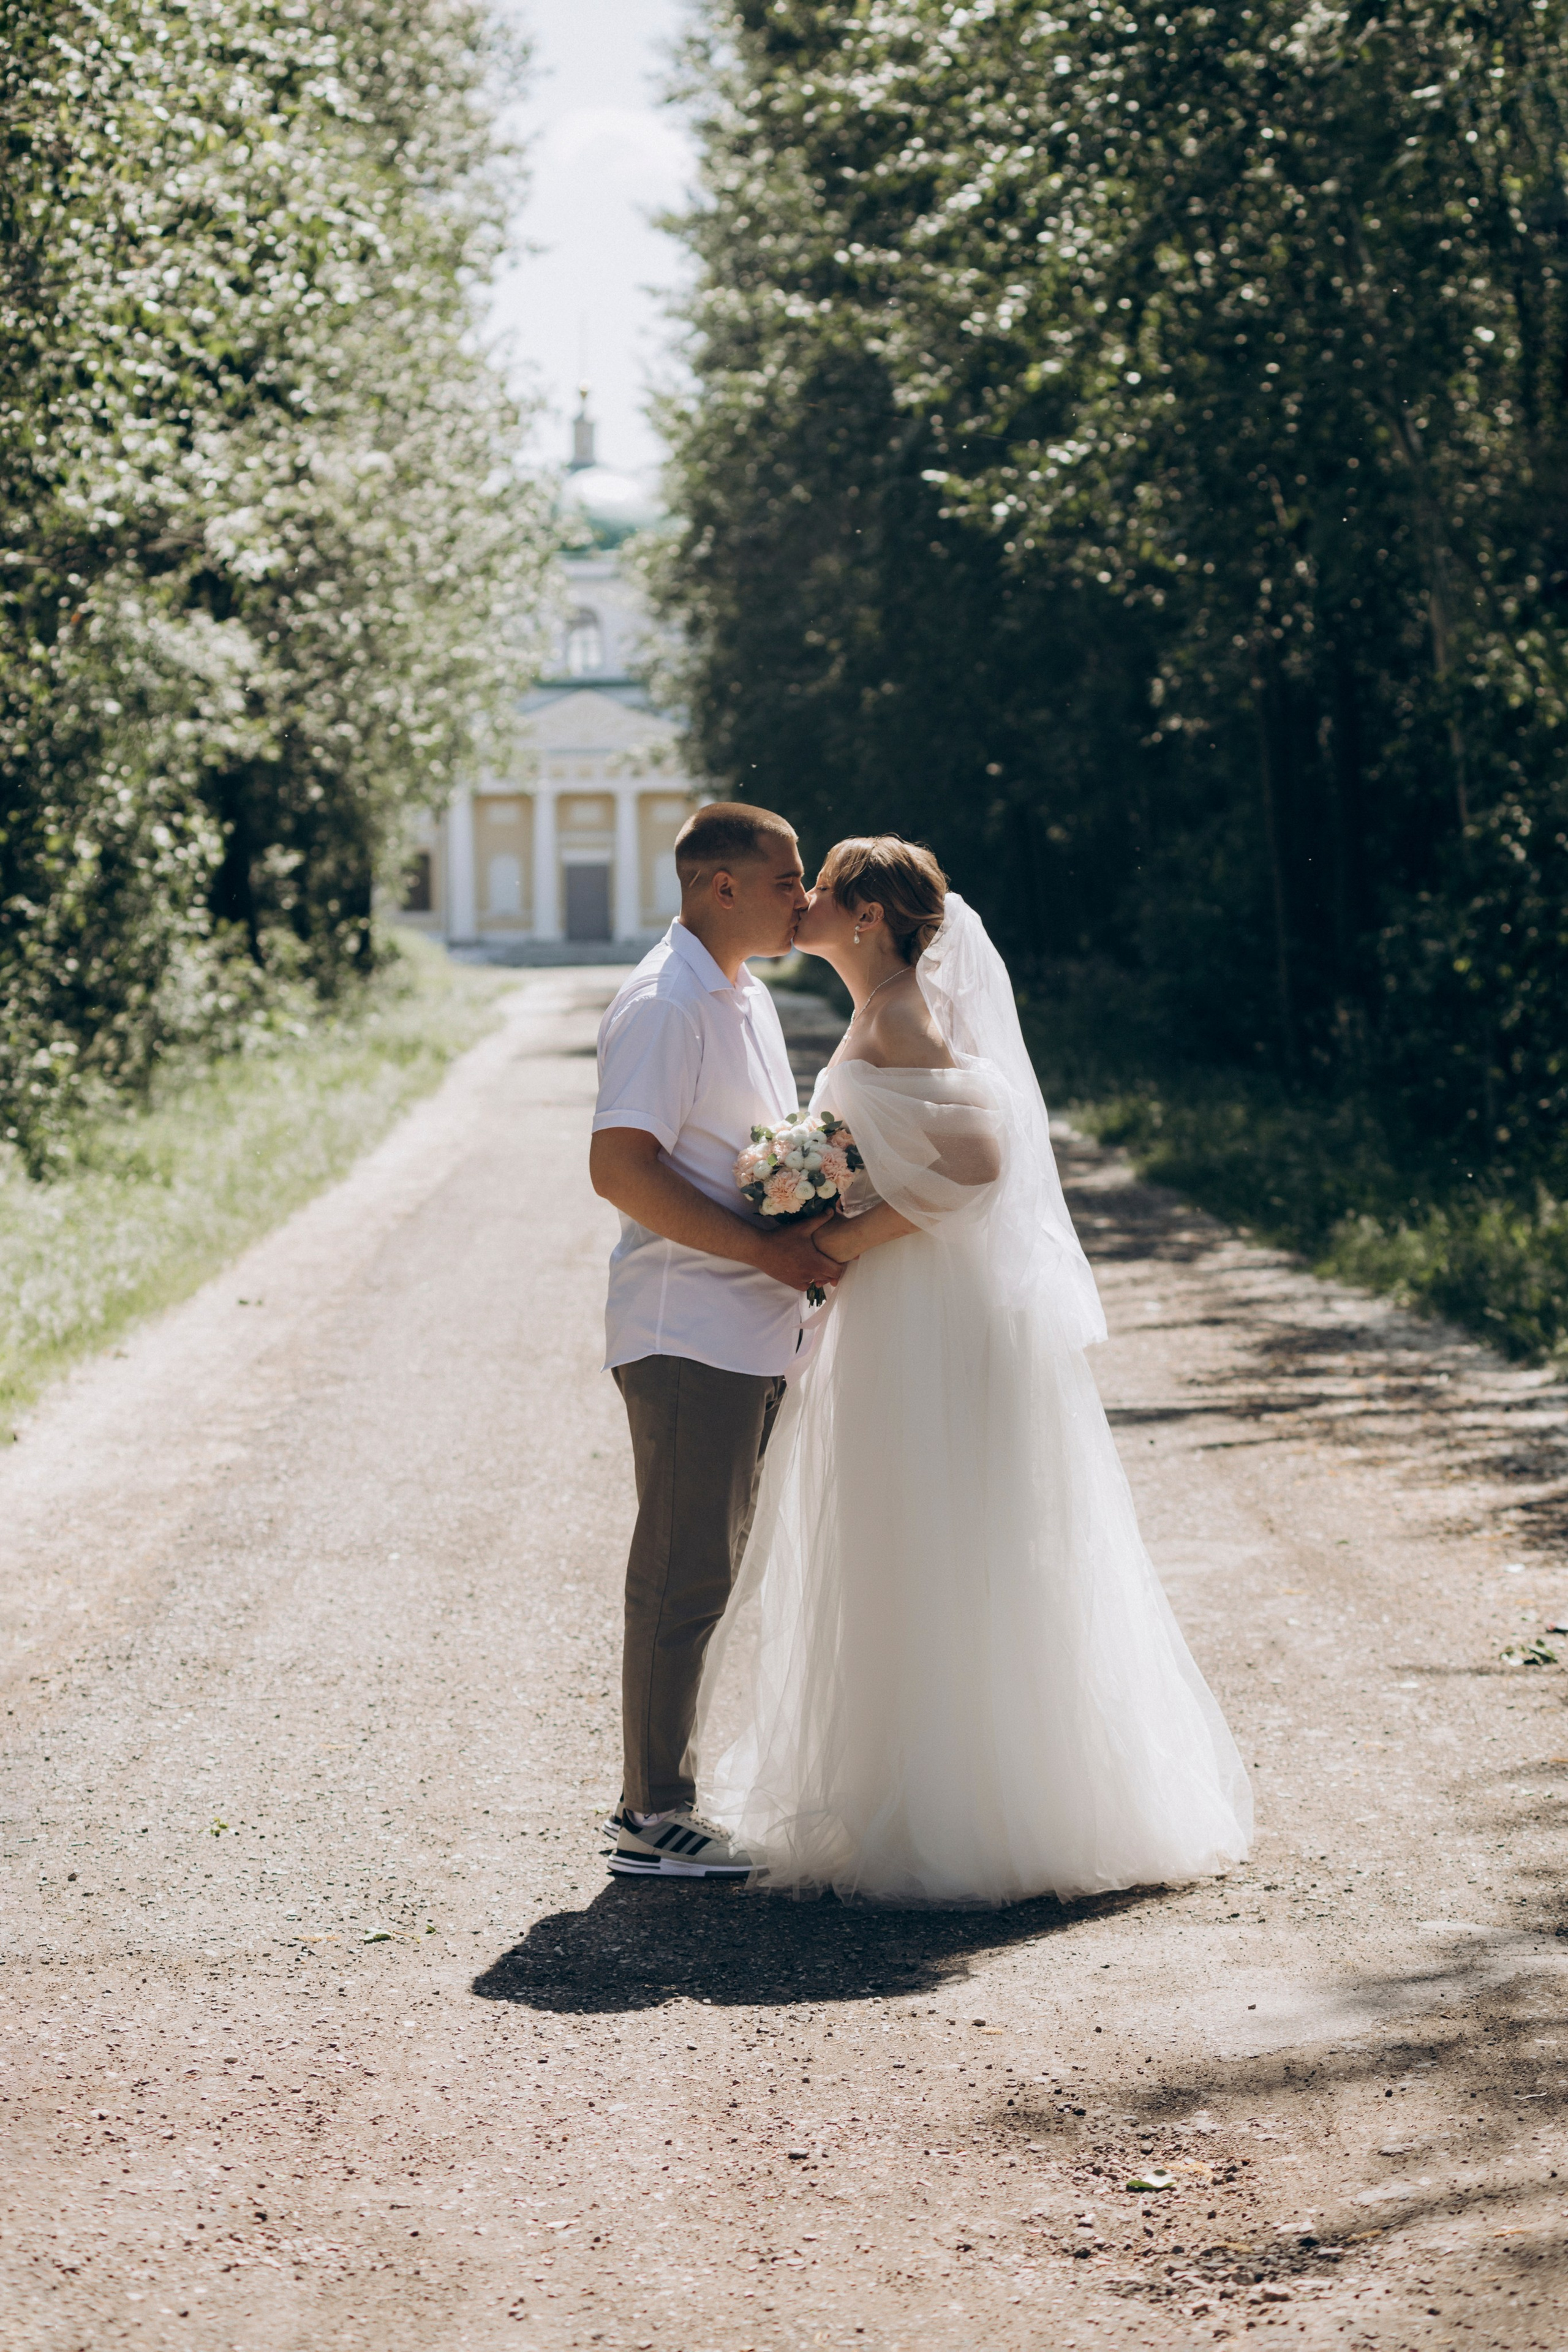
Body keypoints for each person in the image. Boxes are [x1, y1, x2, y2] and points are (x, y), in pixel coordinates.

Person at [696, 835, 1253, 1905]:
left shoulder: (905, 1015)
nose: (800, 901)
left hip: (927, 1313)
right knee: (908, 1538)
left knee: (939, 1532)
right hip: (904, 1305)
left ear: (867, 917)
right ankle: (910, 1786)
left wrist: (843, 1241)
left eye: (822, 889)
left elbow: (983, 1166)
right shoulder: (879, 1011)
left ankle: (971, 1809)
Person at [589, 802, 841, 1878]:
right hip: (685, 1323)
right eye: (788, 879)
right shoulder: (665, 1003)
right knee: (683, 1565)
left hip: (750, 1323)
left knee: (714, 1562)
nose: (805, 897)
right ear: (720, 886)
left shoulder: (743, 998)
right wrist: (766, 1251)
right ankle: (653, 1815)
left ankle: (667, 1796)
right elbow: (622, 1169)